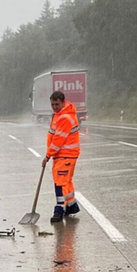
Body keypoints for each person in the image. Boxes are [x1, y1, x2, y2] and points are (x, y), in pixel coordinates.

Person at [42, 91, 81, 223]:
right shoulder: (59, 115)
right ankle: (71, 205)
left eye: (57, 104)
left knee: (60, 182)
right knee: (66, 181)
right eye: (52, 104)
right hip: (65, 155)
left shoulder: (64, 117)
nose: (54, 107)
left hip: (66, 154)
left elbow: (58, 140)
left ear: (63, 102)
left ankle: (59, 209)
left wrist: (48, 155)